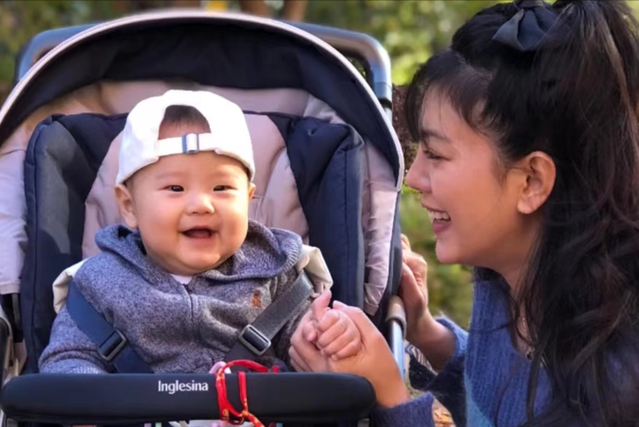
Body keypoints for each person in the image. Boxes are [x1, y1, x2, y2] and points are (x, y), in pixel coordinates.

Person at [290, 0, 639, 426]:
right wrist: (427, 334)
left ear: (531, 181)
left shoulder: (612, 382)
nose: (413, 178)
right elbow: (496, 405)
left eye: (436, 155)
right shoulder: (508, 284)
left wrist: (391, 396)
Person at [39, 90, 360, 376]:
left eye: (221, 188)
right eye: (175, 188)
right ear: (129, 206)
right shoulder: (100, 282)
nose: (201, 205)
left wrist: (326, 336)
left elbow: (305, 350)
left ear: (248, 199)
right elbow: (68, 356)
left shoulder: (276, 273)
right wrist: (89, 395)